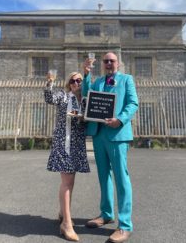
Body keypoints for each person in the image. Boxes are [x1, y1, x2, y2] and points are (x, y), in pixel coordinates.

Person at [82, 52, 138, 243]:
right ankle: (106, 214)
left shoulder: (126, 79)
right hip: (99, 134)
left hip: (117, 134)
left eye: (111, 60)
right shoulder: (97, 82)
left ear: (118, 63)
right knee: (103, 175)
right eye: (105, 61)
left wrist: (120, 119)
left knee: (121, 177)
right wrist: (86, 74)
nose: (108, 63)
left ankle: (124, 225)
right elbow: (86, 96)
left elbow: (133, 103)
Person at [44, 71, 90, 242]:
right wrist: (49, 82)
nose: (76, 83)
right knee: (67, 182)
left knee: (71, 181)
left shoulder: (85, 101)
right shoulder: (63, 96)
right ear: (68, 83)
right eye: (73, 80)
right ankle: (67, 224)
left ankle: (63, 212)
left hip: (77, 145)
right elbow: (50, 98)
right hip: (64, 143)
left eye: (79, 80)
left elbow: (90, 118)